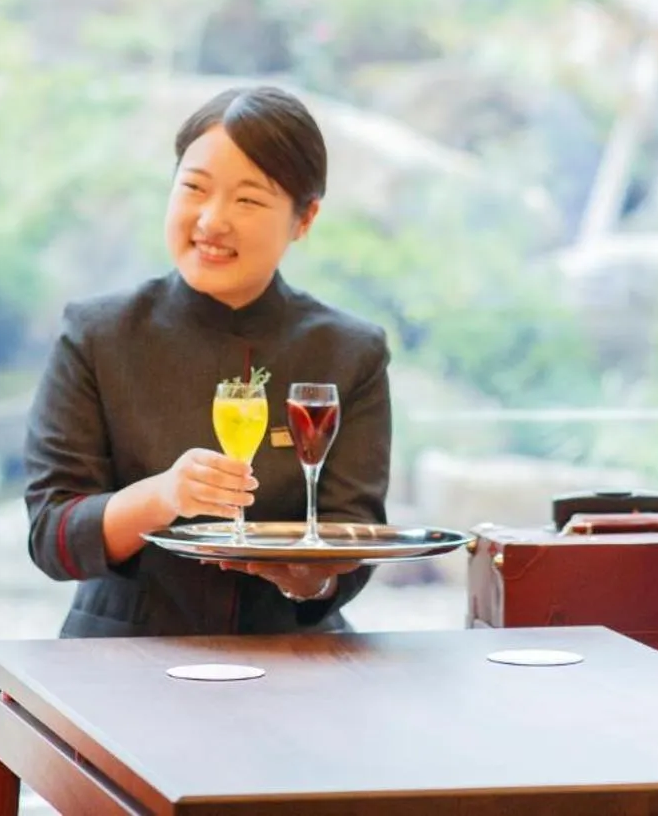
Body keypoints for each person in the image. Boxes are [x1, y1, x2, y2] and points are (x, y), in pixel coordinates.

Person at [23, 85, 392, 636]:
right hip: (122, 656)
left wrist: (306, 579)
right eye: (195, 188)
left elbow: (352, 532)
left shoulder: (349, 351)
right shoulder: (98, 334)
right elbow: (51, 536)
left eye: (248, 200)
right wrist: (162, 495)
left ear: (305, 218)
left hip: (294, 658)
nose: (212, 220)